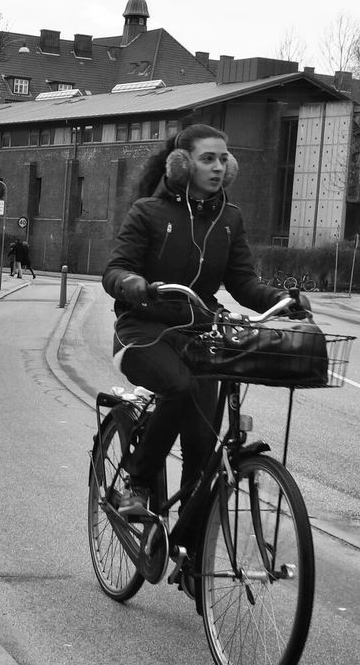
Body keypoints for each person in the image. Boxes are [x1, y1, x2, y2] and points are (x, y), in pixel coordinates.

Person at [101, 124, 308, 532]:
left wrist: (281, 301)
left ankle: (192, 552)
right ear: (181, 165)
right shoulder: (148, 212)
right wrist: (133, 284)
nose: (218, 167)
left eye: (224, 159)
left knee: (202, 443)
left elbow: (243, 282)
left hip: (201, 334)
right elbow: (114, 270)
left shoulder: (230, 219)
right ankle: (136, 484)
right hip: (143, 331)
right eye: (207, 159)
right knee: (178, 388)